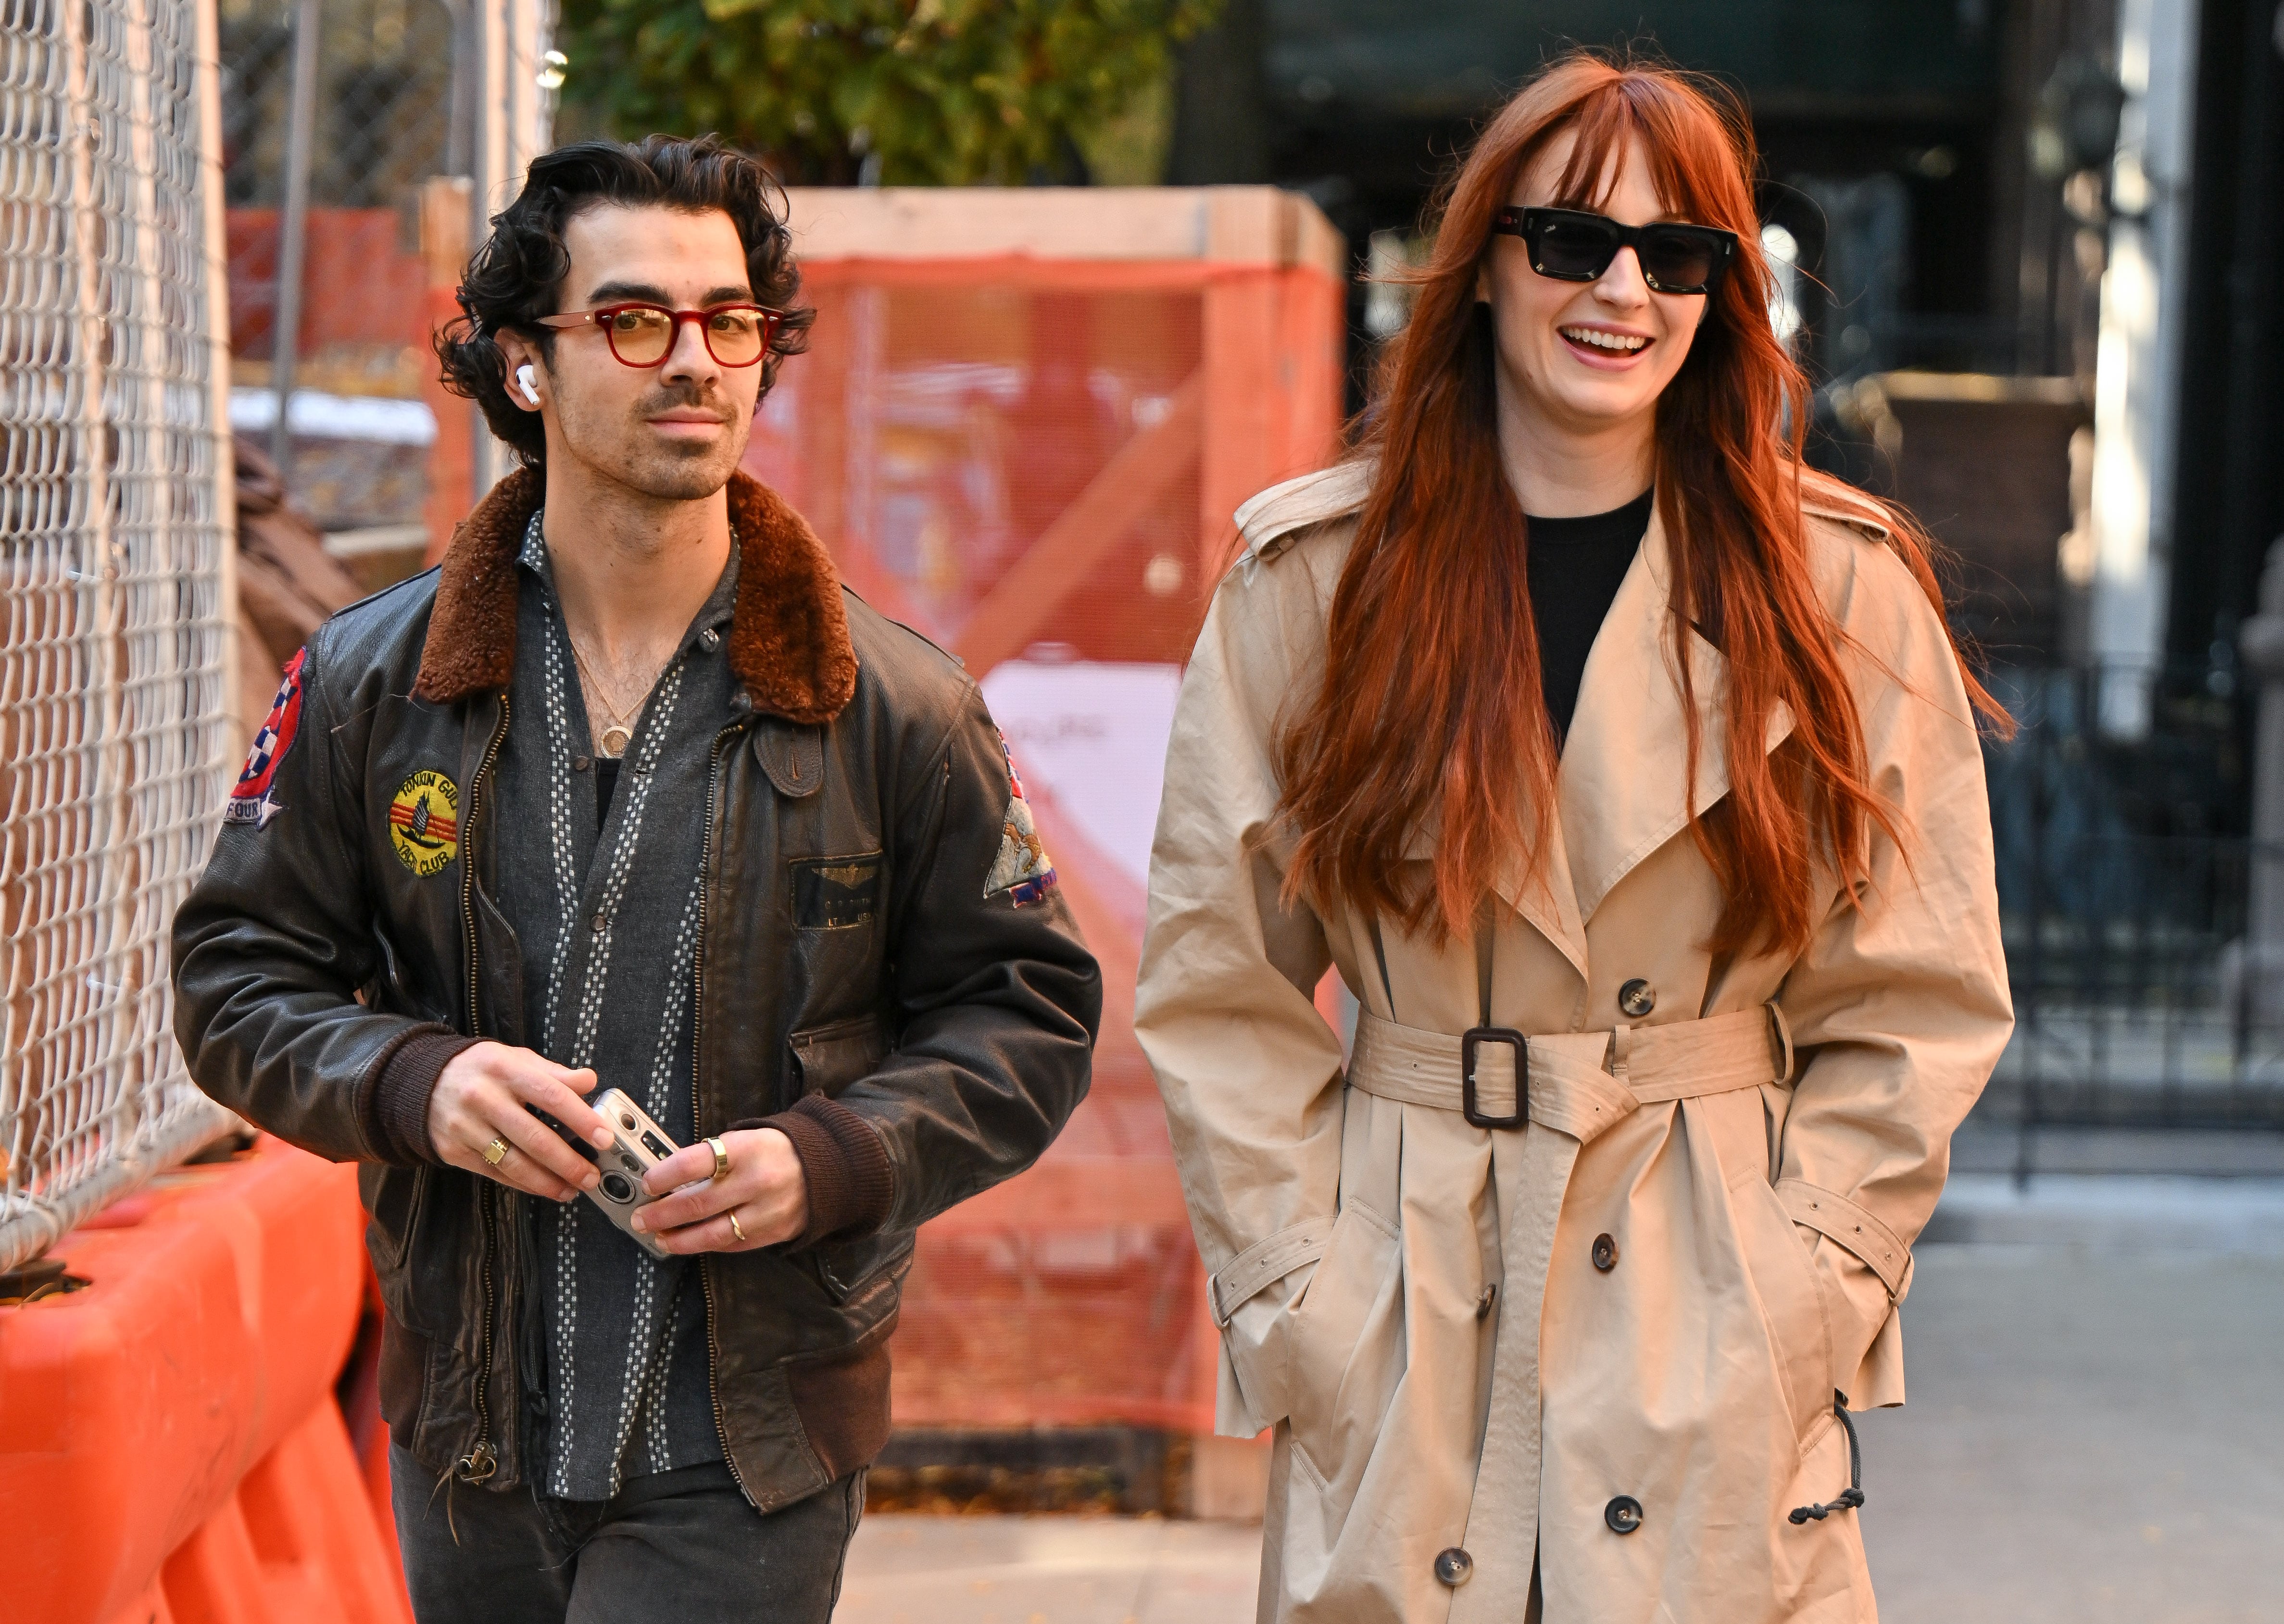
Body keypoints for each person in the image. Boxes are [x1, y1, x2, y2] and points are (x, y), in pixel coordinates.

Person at [170, 135, 1101, 1623]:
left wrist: (837, 1155)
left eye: (732, 322)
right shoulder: (369, 681)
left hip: (746, 1445)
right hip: (468, 1439)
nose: (697, 361)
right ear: (525, 365)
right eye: (634, 320)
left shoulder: (896, 706)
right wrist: (420, 1079)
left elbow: (1028, 1015)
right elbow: (233, 980)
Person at [1135, 52, 2012, 1624]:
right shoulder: (1313, 580)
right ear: (1483, 266)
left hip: (1712, 1283)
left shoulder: (1838, 591)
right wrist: (1303, 1298)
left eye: (1679, 256)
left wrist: (1806, 1286)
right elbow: (1220, 984)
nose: (1624, 289)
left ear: (1724, 296)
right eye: (1572, 243)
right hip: (1405, 1281)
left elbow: (1919, 993)